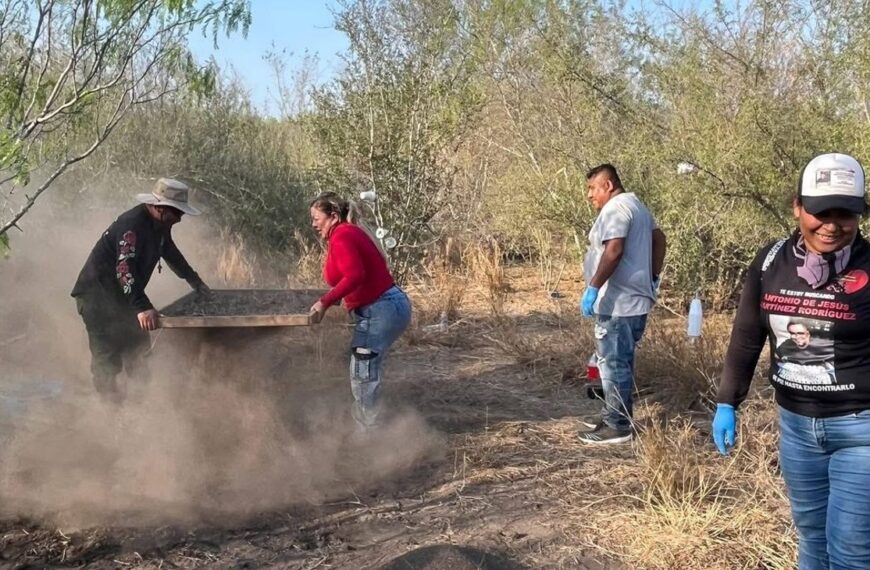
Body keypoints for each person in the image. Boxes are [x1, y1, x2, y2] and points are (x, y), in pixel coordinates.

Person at [713, 152, 870, 569]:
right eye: (820, 212)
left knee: (852, 549)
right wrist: (728, 401)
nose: (832, 226)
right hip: (798, 429)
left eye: (846, 214)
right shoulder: (771, 262)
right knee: (812, 536)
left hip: (861, 431)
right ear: (797, 207)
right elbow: (748, 335)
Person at [71, 178, 210, 402]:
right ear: (160, 208)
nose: (180, 218)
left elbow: (171, 253)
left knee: (139, 352)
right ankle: (108, 410)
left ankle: (138, 406)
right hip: (96, 297)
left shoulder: (160, 226)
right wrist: (143, 307)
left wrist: (197, 283)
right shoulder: (132, 225)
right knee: (107, 357)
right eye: (176, 213)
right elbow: (124, 269)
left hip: (123, 298)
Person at [578, 164, 667, 444]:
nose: (590, 195)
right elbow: (659, 238)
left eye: (593, 188)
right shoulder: (636, 205)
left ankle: (618, 426)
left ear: (608, 185)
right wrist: (652, 275)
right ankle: (612, 416)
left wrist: (593, 287)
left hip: (619, 303)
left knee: (613, 363)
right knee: (618, 362)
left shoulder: (616, 208)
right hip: (633, 300)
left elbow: (614, 249)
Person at [307, 192, 412, 430]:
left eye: (316, 218)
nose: (313, 224)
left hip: (380, 309)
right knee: (363, 368)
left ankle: (367, 436)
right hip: (385, 306)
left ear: (333, 216)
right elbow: (350, 276)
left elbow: (355, 275)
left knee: (362, 373)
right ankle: (369, 425)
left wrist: (325, 302)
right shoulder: (347, 232)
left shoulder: (342, 235)